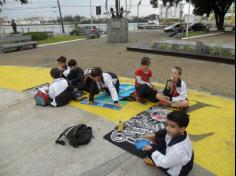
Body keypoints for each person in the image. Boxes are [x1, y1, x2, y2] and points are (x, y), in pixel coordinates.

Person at [143, 111, 194, 176]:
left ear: (182, 129)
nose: (167, 128)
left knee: (149, 149)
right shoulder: (181, 133)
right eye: (166, 124)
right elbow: (165, 131)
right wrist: (155, 134)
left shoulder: (177, 150)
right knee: (159, 138)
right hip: (182, 161)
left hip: (178, 172)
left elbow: (164, 163)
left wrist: (152, 150)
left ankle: (153, 162)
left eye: (172, 126)